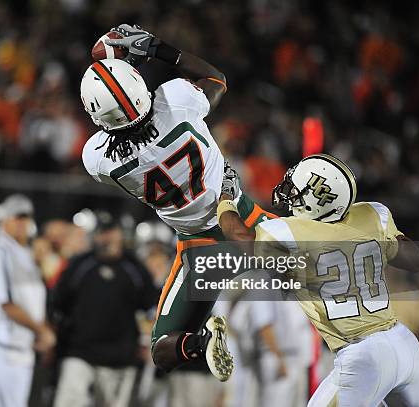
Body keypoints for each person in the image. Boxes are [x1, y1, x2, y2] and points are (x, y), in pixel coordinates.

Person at [80, 23, 274, 381]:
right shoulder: (176, 100)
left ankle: (199, 344)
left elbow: (117, 129)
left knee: (162, 348)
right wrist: (157, 49)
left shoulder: (98, 159)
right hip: (242, 216)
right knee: (318, 269)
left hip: (198, 250)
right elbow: (216, 80)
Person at [217, 154, 419, 406]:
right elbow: (417, 262)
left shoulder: (290, 233)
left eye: (297, 191)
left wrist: (225, 201)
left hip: (363, 356)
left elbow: (238, 235)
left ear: (314, 201)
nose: (291, 195)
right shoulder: (374, 215)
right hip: (405, 345)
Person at [52, 212, 159, 407]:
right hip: (79, 352)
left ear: (120, 234)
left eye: (110, 231)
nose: (106, 237)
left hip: (119, 357)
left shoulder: (134, 268)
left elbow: (153, 306)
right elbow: (57, 302)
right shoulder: (80, 264)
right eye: (102, 232)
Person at [0, 194, 55, 407]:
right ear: (5, 220)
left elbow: (33, 304)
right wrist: (41, 330)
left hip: (18, 347)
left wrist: (42, 330)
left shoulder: (23, 254)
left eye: (25, 217)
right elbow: (6, 304)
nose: (22, 223)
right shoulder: (0, 252)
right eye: (17, 217)